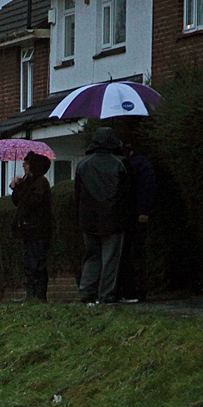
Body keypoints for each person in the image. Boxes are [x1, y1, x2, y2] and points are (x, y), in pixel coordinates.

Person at [75, 127, 130, 305]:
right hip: (113, 219)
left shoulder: (83, 164)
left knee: (91, 257)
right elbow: (124, 195)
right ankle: (106, 295)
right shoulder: (119, 164)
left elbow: (78, 195)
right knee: (110, 259)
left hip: (88, 220)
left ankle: (86, 292)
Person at [9, 151, 53, 302]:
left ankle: (38, 295)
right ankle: (31, 294)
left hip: (38, 229)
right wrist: (17, 187)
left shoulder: (40, 182)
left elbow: (32, 202)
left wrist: (20, 189)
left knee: (37, 262)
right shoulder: (29, 182)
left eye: (26, 163)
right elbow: (18, 202)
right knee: (29, 261)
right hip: (29, 230)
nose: (24, 166)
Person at [117, 145, 156, 303]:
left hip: (127, 214)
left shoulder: (126, 165)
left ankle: (130, 290)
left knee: (127, 253)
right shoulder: (142, 164)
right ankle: (137, 291)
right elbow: (149, 187)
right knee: (137, 253)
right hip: (136, 214)